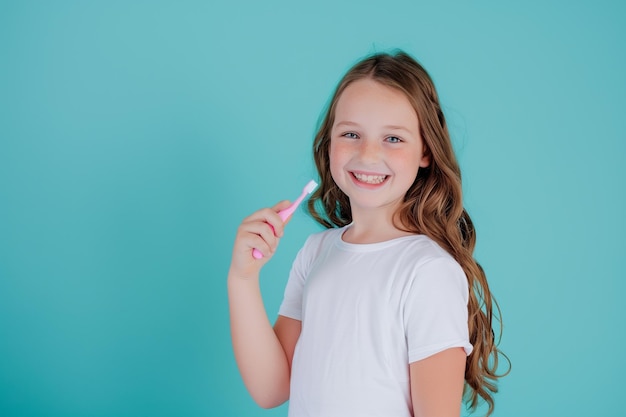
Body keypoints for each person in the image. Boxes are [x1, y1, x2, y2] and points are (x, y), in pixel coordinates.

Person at [228, 50, 507, 417]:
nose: (368, 154)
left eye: (393, 138)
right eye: (351, 134)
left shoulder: (428, 271)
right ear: (329, 143)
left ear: (426, 150)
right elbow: (271, 389)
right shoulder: (316, 252)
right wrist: (242, 279)